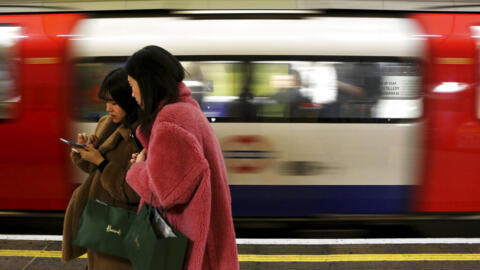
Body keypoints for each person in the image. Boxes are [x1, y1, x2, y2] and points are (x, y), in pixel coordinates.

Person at [125, 45, 239, 270]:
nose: (132, 94)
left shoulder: (170, 120)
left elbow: (165, 193)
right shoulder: (188, 110)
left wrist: (138, 170)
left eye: (132, 86)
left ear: (147, 82)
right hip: (204, 240)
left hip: (187, 249)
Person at [62, 68, 141, 270]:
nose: (108, 108)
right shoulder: (106, 124)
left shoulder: (140, 136)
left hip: (119, 226)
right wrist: (85, 152)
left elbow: (131, 191)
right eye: (106, 101)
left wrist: (102, 162)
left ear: (129, 100)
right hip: (98, 221)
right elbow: (92, 169)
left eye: (114, 103)